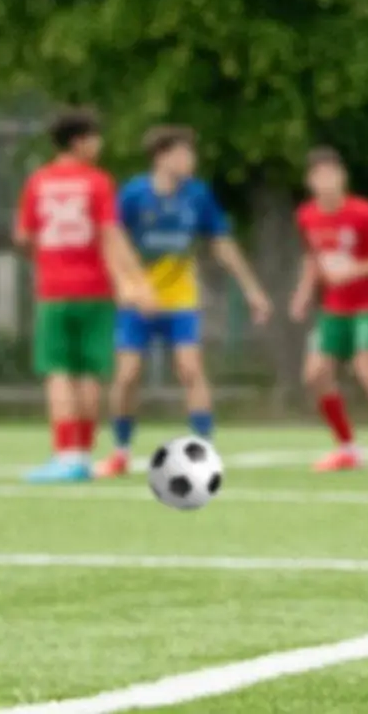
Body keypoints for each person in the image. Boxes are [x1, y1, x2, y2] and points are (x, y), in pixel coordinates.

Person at [95, 126, 272, 477]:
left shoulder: (197, 195)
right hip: (138, 302)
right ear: (162, 156)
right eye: (183, 153)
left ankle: (205, 449)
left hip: (180, 301)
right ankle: (120, 450)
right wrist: (125, 285)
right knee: (128, 375)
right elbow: (111, 241)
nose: (190, 161)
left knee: (190, 369)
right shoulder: (133, 195)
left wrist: (252, 289)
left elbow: (221, 243)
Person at [17, 108, 153, 484]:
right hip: (94, 289)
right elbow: (110, 233)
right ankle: (83, 455)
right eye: (95, 137)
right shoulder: (97, 182)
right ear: (79, 142)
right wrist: (135, 282)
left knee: (59, 373)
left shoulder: (38, 181)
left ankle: (65, 455)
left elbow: (25, 237)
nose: (99, 144)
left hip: (54, 291)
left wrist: (46, 260)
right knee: (90, 373)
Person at [291, 147, 368, 473]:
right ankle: (347, 448)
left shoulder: (363, 213)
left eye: (332, 174)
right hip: (333, 309)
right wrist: (304, 293)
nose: (327, 181)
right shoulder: (307, 215)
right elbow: (313, 257)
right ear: (310, 181)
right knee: (315, 374)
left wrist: (352, 271)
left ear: (343, 177)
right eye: (319, 175)